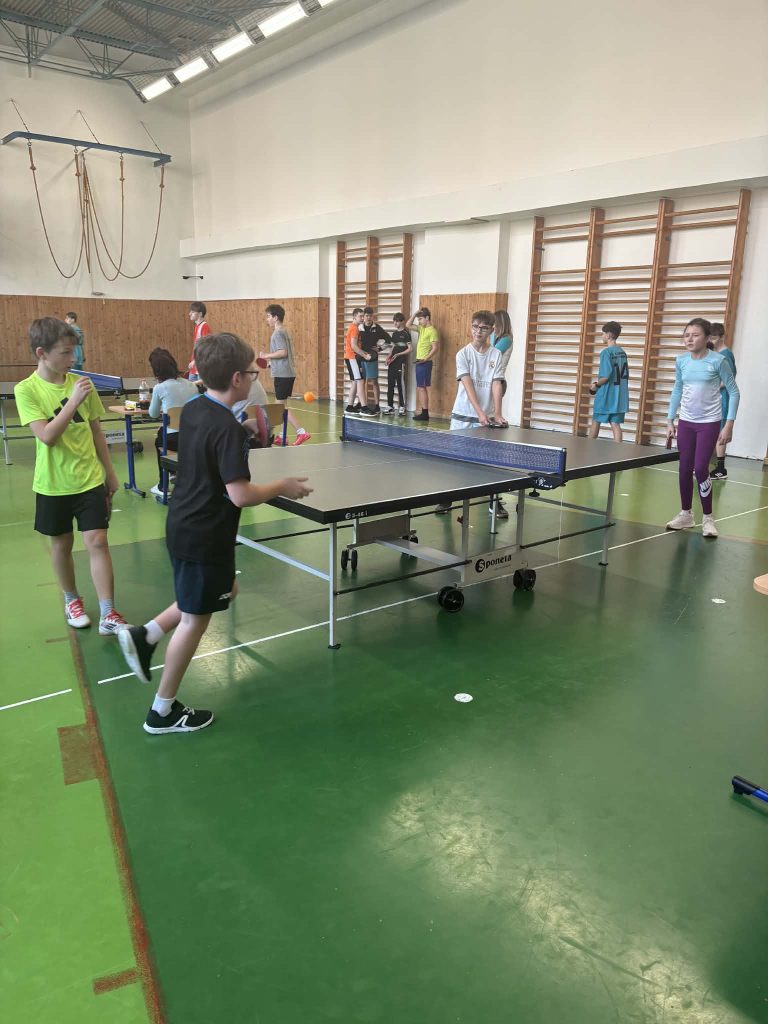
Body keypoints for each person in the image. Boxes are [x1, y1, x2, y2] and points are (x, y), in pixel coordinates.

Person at [117, 333, 312, 735]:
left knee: (225, 589)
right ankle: (162, 711)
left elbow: (212, 440)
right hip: (207, 534)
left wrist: (239, 429)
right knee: (195, 620)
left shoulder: (194, 408)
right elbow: (240, 495)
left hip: (183, 524)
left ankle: (147, 634)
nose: (255, 377)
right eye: (252, 373)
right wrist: (282, 485)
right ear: (238, 379)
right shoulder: (228, 430)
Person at [14, 317, 129, 634]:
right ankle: (71, 600)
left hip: (89, 478)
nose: (73, 359)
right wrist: (73, 401)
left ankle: (108, 612)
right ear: (42, 353)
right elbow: (47, 436)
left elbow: (96, 431)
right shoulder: (26, 390)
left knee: (98, 541)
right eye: (65, 353)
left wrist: (110, 474)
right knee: (62, 545)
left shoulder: (82, 384)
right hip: (53, 484)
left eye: (74, 351)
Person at [666, 317, 739, 539]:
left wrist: (729, 425)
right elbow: (677, 389)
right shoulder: (681, 361)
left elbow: (734, 391)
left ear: (707, 338)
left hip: (709, 423)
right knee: (684, 468)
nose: (689, 339)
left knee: (700, 468)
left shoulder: (718, 361)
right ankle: (686, 514)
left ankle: (708, 518)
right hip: (686, 422)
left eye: (695, 335)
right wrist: (670, 420)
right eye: (686, 335)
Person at [435, 310, 508, 518]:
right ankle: (447, 498)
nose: (478, 331)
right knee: (456, 461)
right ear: (471, 327)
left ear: (491, 330)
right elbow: (468, 385)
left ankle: (494, 503)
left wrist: (497, 413)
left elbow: (496, 383)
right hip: (463, 416)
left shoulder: (496, 354)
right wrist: (479, 412)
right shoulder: (463, 354)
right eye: (475, 327)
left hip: (487, 420)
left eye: (483, 328)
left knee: (491, 463)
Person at [147, 348, 198, 498]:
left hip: (172, 440)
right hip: (192, 436)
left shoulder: (159, 388)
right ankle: (174, 472)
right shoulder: (192, 385)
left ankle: (163, 485)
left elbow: (153, 414)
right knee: (163, 432)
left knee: (159, 439)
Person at [259, 304, 311, 445]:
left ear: (275, 317)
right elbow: (284, 355)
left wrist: (266, 356)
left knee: (280, 407)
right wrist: (271, 363)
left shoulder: (277, 333)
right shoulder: (285, 331)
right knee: (282, 406)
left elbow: (283, 352)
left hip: (283, 374)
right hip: (286, 372)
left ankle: (301, 432)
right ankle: (282, 436)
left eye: (268, 316)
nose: (267, 319)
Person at [588, 321, 629, 442]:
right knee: (615, 425)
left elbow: (605, 377)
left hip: (606, 394)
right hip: (619, 396)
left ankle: (588, 446)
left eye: (603, 333)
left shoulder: (606, 353)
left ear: (609, 335)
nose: (602, 336)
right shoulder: (622, 352)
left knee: (596, 421)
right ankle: (618, 451)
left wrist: (596, 385)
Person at [708, 322, 737, 480]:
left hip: (723, 398)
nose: (711, 341)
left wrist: (712, 387)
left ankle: (721, 468)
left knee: (720, 432)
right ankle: (708, 464)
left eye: (714, 338)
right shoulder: (716, 353)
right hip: (716, 398)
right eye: (710, 338)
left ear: (721, 337)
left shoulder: (725, 354)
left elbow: (729, 379)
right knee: (712, 431)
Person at [356, 307, 391, 415]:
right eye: (367, 316)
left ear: (373, 316)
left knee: (374, 381)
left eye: (370, 316)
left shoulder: (377, 328)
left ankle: (377, 406)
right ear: (364, 316)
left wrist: (380, 348)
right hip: (360, 358)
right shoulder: (359, 327)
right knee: (361, 382)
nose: (368, 318)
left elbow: (388, 339)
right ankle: (361, 403)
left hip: (372, 359)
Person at [407, 307, 438, 421]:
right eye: (418, 319)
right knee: (420, 387)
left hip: (425, 362)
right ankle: (424, 412)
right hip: (420, 361)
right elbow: (408, 325)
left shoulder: (432, 331)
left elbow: (435, 348)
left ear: (427, 318)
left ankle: (425, 413)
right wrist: (415, 313)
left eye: (420, 319)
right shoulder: (421, 329)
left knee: (421, 388)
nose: (419, 321)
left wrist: (426, 358)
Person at [383, 312, 412, 414]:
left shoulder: (406, 334)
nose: (395, 323)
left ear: (402, 321)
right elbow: (393, 347)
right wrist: (388, 357)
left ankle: (402, 407)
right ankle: (390, 406)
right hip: (392, 363)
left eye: (397, 321)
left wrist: (399, 354)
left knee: (400, 384)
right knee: (390, 384)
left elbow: (410, 349)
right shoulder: (394, 334)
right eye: (394, 321)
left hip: (400, 363)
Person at [490, 309, 513, 426]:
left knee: (492, 415)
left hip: (498, 381)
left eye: (495, 323)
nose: (493, 326)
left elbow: (491, 354)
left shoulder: (506, 339)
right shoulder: (495, 336)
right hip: (491, 379)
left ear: (501, 324)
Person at [344, 308, 365, 411]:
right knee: (360, 381)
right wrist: (365, 355)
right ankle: (364, 407)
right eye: (360, 316)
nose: (362, 318)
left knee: (355, 382)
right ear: (354, 317)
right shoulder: (354, 329)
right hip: (353, 358)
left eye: (363, 316)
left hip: (351, 358)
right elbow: (354, 346)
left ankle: (350, 406)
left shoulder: (354, 328)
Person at [187, 302, 210, 381]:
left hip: (201, 365)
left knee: (201, 387)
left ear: (200, 314)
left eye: (193, 312)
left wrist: (194, 361)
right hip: (195, 365)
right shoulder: (197, 326)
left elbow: (205, 347)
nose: (189, 314)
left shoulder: (204, 327)